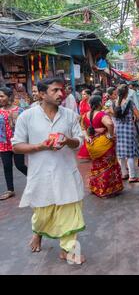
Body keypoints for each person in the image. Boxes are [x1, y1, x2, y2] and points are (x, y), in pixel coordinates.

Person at [12, 77, 86, 264]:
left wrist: (67, 140)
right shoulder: (26, 116)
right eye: (55, 90)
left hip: (66, 173)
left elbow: (79, 141)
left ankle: (67, 249)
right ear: (42, 94)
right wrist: (40, 147)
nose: (61, 94)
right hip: (40, 175)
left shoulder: (70, 115)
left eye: (61, 90)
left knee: (71, 212)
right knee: (41, 215)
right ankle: (38, 233)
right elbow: (17, 146)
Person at [82, 95, 123, 198]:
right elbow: (110, 124)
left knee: (97, 165)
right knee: (108, 167)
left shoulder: (85, 115)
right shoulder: (101, 115)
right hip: (104, 144)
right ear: (100, 103)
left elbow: (82, 128)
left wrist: (87, 136)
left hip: (91, 144)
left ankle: (95, 188)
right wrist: (110, 135)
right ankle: (106, 190)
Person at [0, 87, 27, 200]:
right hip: (3, 143)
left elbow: (26, 127)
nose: (0, 98)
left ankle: (37, 180)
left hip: (17, 142)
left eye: (2, 96)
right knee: (6, 166)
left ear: (9, 96)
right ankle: (10, 190)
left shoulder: (20, 110)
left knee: (20, 165)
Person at [112, 84, 139, 183]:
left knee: (121, 153)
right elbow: (138, 116)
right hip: (129, 130)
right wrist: (134, 118)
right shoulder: (129, 103)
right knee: (130, 154)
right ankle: (132, 176)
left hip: (119, 130)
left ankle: (124, 173)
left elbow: (114, 116)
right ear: (127, 93)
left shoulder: (114, 103)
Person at [77, 89, 91, 160]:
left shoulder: (91, 102)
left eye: (84, 94)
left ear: (89, 95)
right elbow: (80, 112)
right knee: (85, 136)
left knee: (91, 136)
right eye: (82, 94)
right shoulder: (81, 102)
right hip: (83, 121)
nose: (83, 96)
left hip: (90, 121)